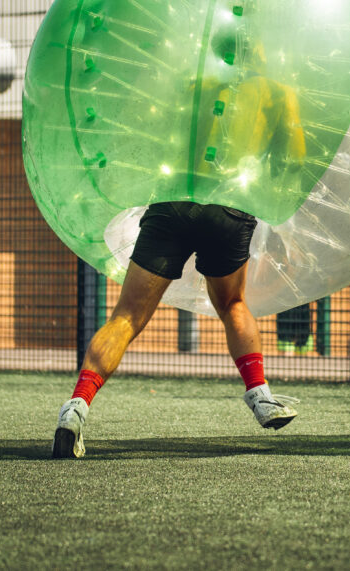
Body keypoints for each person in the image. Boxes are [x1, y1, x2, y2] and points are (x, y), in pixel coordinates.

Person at [53, 60, 305, 459]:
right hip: (230, 206)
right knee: (233, 303)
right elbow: (294, 161)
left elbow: (159, 141)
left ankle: (76, 408)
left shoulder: (194, 81)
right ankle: (260, 396)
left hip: (173, 200)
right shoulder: (277, 91)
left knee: (127, 316)